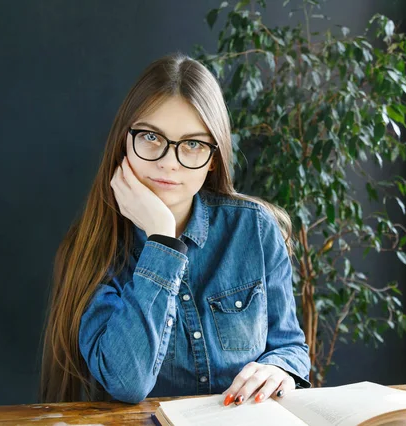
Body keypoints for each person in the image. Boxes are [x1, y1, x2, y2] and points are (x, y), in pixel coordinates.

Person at [39, 52, 311, 405]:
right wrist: (162, 241)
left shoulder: (254, 229)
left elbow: (289, 346)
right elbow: (127, 383)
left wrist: (280, 369)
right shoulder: (93, 248)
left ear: (213, 158)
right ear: (125, 140)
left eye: (193, 144)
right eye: (151, 137)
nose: (169, 163)